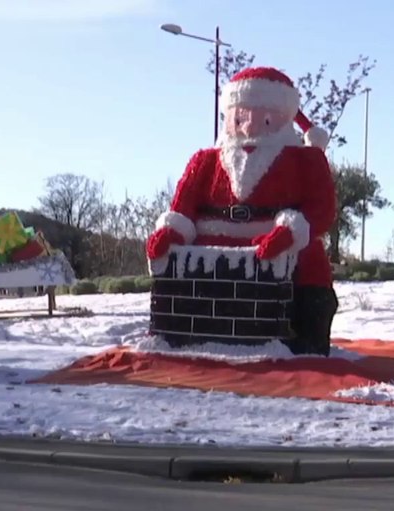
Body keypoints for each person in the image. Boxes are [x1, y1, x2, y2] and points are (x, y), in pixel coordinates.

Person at [144, 66, 339, 356]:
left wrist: (291, 231)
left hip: (280, 249)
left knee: (310, 264)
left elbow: (322, 209)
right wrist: (173, 229)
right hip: (208, 253)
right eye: (240, 119)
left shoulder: (306, 160)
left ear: (284, 119)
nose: (248, 128)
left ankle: (304, 334)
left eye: (266, 119)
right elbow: (182, 206)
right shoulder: (204, 160)